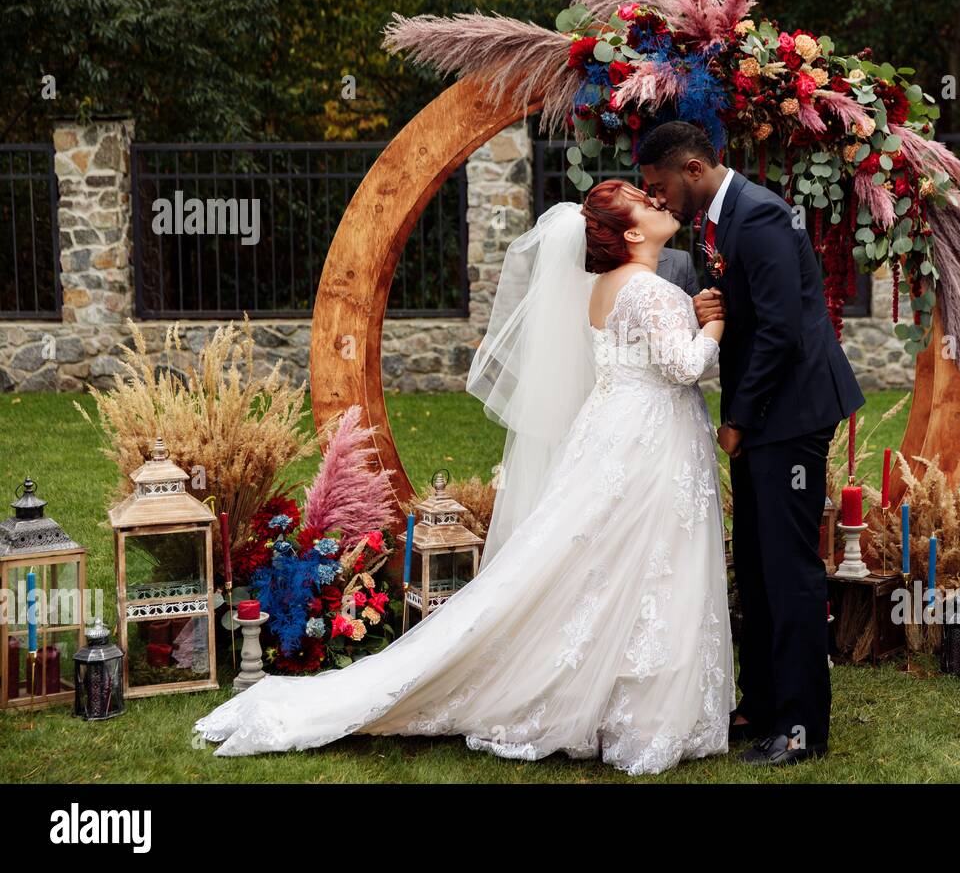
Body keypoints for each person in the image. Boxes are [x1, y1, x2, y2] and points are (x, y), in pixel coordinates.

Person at [193, 180, 734, 777]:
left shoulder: (603, 287)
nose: (658, 202)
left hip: (613, 432)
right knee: (650, 563)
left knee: (602, 564)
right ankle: (638, 711)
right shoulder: (649, 288)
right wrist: (713, 326)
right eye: (645, 201)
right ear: (631, 233)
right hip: (648, 440)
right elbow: (682, 366)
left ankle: (606, 697)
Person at [638, 121, 865, 767]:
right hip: (767, 416)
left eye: (659, 187)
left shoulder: (759, 217)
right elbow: (756, 310)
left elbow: (782, 335)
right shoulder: (724, 216)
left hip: (787, 416)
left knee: (789, 570)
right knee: (758, 566)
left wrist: (736, 419)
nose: (656, 201)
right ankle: (762, 704)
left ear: (690, 169)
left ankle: (800, 728)